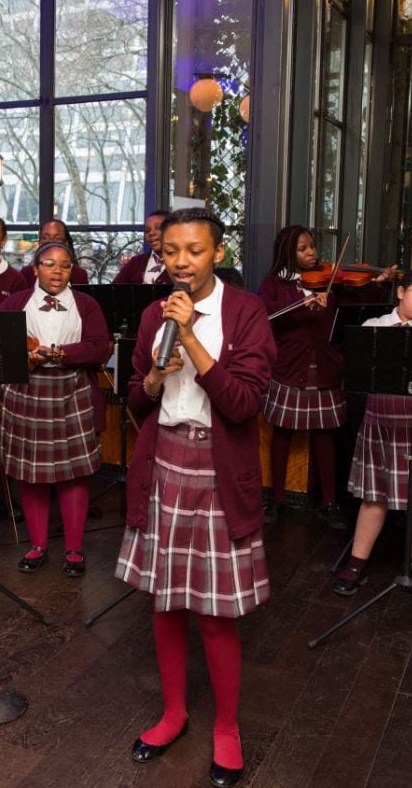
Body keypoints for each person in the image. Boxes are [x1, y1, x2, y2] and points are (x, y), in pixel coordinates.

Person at [117, 209, 273, 788]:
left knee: (214, 612)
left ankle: (227, 728)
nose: (181, 262)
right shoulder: (150, 312)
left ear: (217, 252)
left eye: (195, 251)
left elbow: (242, 404)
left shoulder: (246, 312)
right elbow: (136, 396)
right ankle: (174, 714)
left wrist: (189, 338)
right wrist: (156, 379)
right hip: (163, 464)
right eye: (172, 251)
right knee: (166, 602)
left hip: (219, 470)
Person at [335, 269, 412, 606]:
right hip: (385, 422)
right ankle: (356, 565)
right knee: (374, 497)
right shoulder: (375, 328)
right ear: (401, 292)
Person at [257, 226, 394, 530]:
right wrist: (299, 303)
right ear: (287, 253)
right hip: (290, 365)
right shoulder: (274, 284)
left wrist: (380, 283)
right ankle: (275, 498)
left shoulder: (330, 280)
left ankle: (329, 502)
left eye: (312, 247)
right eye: (303, 249)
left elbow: (361, 298)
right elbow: (264, 314)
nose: (312, 253)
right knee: (282, 432)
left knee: (325, 434)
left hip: (326, 365)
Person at [0, 241, 110, 576]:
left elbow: (99, 348)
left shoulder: (86, 305)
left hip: (74, 391)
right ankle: (38, 545)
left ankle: (74, 549)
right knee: (32, 475)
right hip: (26, 391)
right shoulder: (15, 303)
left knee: (74, 476)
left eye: (65, 265)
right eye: (49, 264)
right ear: (35, 268)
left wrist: (60, 354)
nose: (57, 272)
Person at [20, 219, 88, 286]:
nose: (50, 242)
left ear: (66, 243)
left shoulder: (79, 275)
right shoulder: (27, 273)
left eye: (57, 238)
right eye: (45, 238)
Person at [112, 211, 172, 284]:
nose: (151, 233)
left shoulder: (182, 263)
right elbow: (113, 290)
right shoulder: (136, 262)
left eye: (158, 228)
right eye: (147, 230)